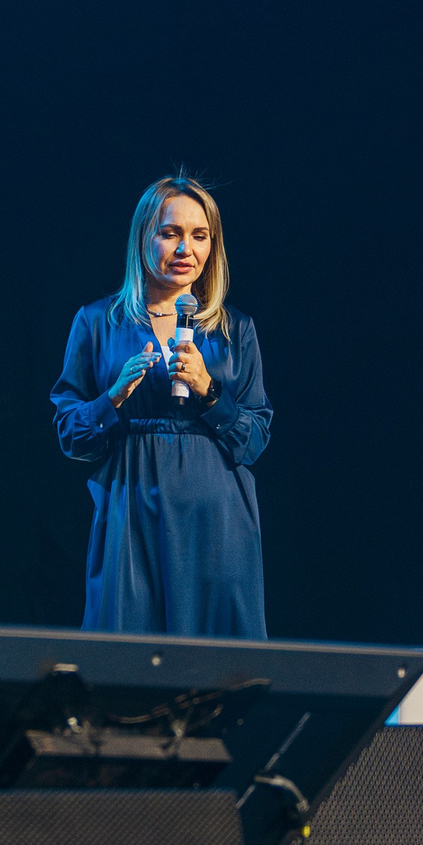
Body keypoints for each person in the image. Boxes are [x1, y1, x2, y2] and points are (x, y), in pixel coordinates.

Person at [48, 174, 272, 636]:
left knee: (217, 671)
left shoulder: (235, 330)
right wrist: (112, 398)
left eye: (199, 235)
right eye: (170, 233)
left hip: (216, 522)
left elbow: (254, 439)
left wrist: (210, 391)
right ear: (143, 238)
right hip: (131, 514)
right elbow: (72, 435)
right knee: (129, 659)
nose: (185, 248)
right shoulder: (96, 322)